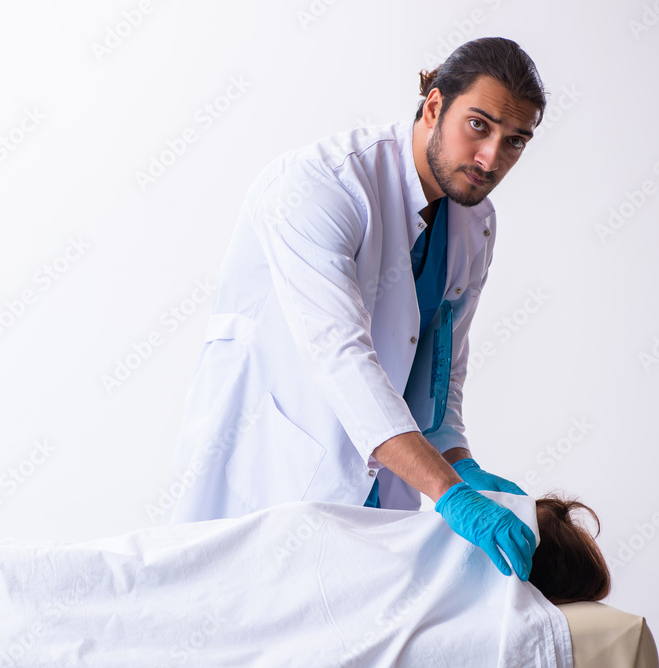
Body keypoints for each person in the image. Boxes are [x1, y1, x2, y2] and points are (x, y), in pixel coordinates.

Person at [165, 37, 548, 581]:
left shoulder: (473, 223)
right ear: (434, 106)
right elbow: (341, 360)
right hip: (273, 470)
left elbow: (439, 377)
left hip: (378, 491)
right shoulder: (320, 186)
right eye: (478, 125)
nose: (491, 158)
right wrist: (449, 493)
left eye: (514, 141)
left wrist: (462, 464)